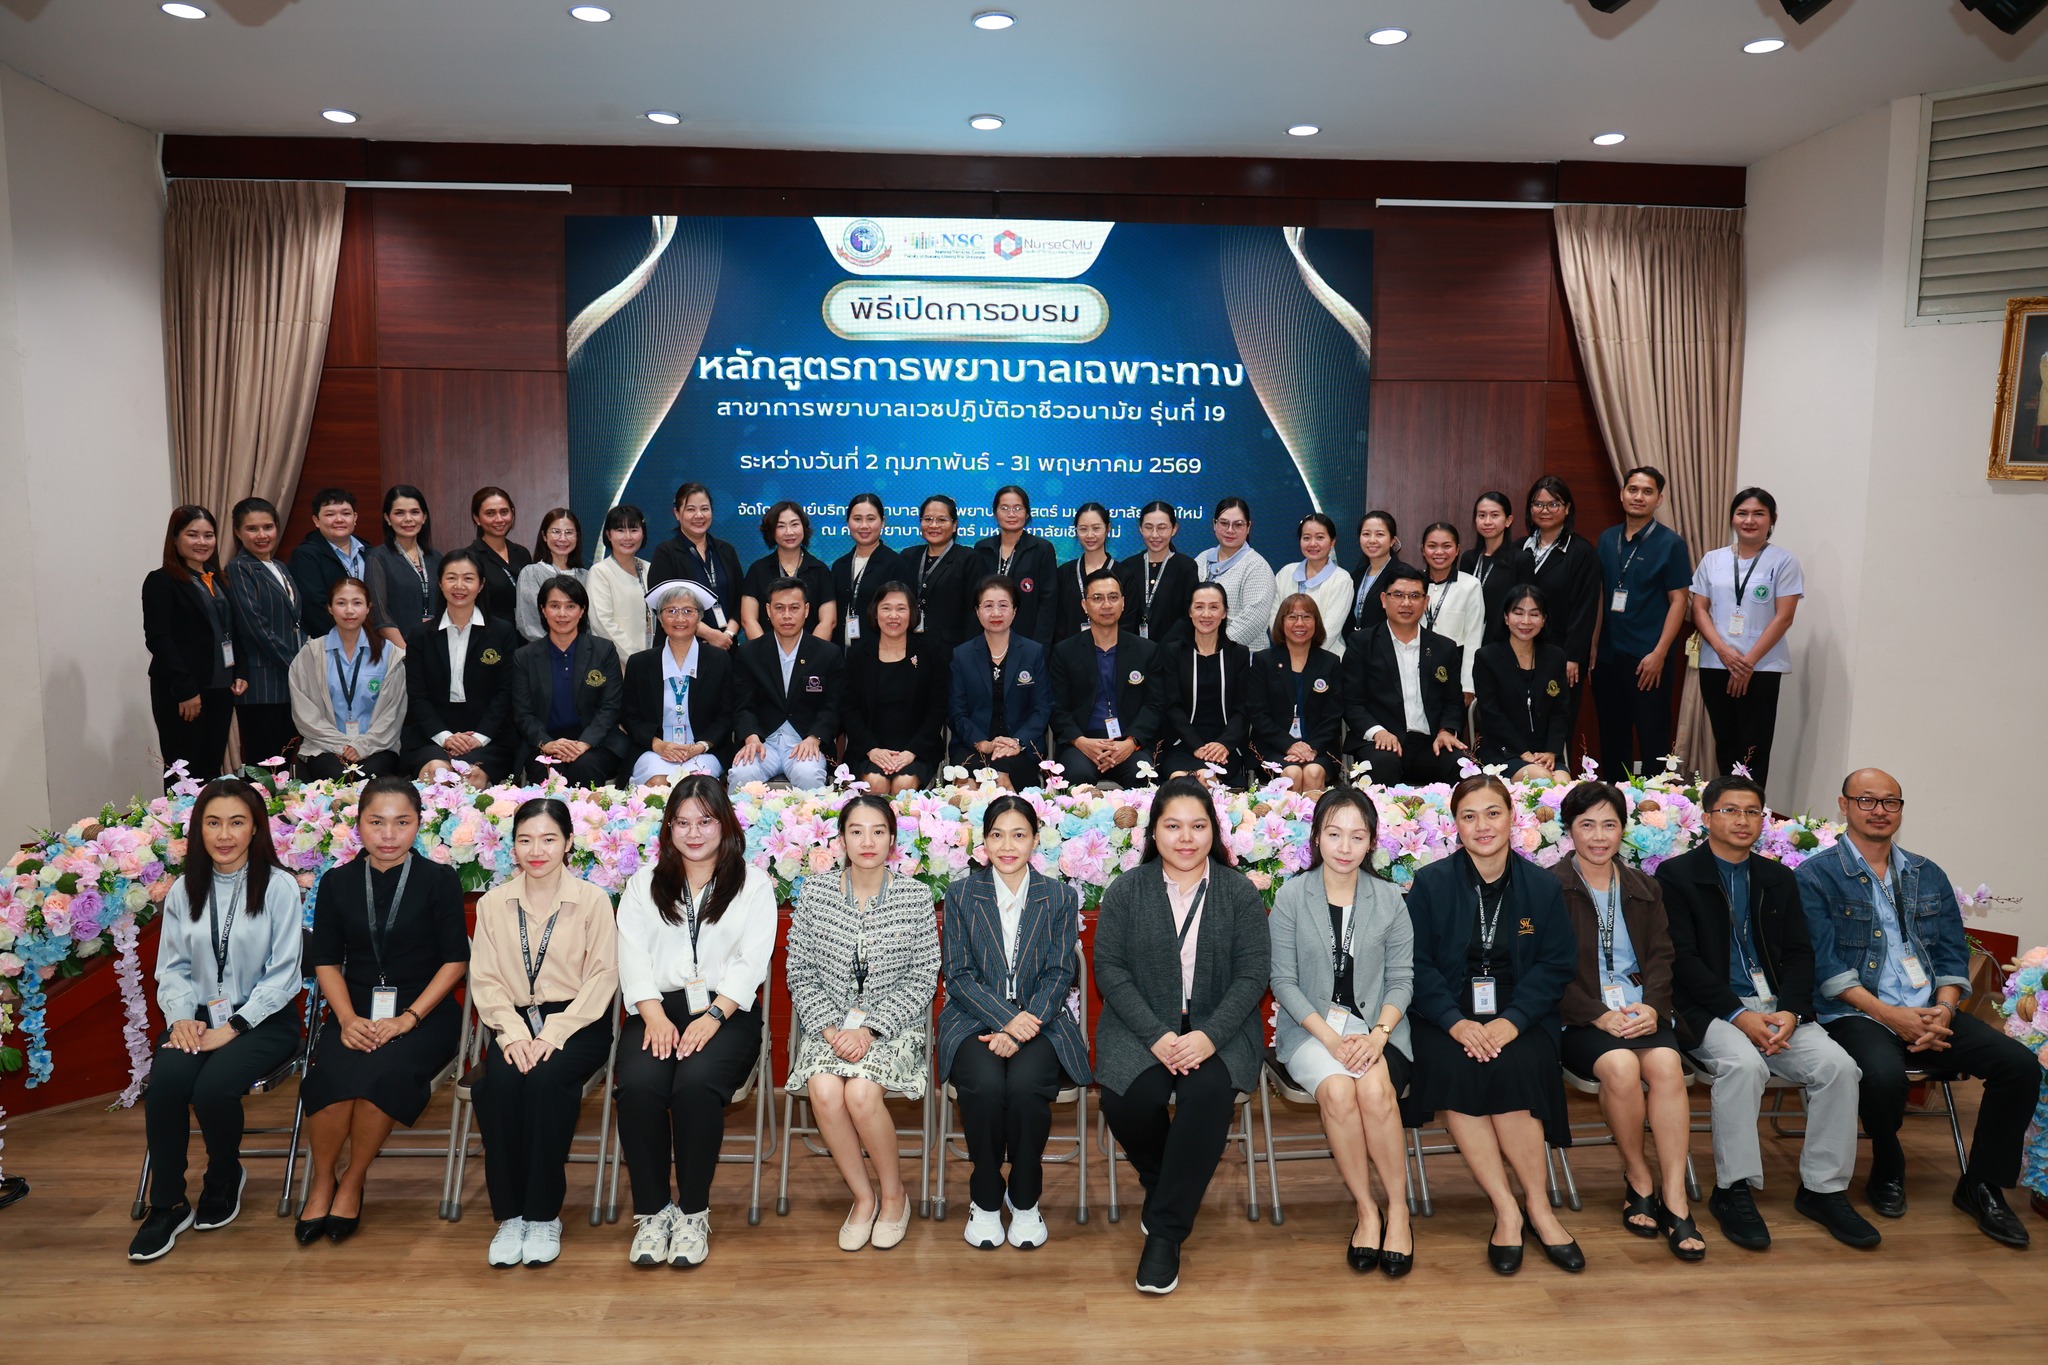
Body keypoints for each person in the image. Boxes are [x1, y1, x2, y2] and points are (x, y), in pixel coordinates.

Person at [1795, 768, 2036, 1247]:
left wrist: (1943, 1011)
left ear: (1901, 810)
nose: (1879, 811)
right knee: (1883, 1076)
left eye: (1890, 802)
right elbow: (1825, 966)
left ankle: (1982, 1186)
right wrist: (1891, 1017)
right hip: (1857, 1013)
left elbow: (1950, 955)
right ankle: (1888, 1163)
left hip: (1929, 1010)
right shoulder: (1814, 876)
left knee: (2020, 1066)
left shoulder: (1928, 874)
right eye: (1866, 800)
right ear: (1844, 806)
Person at [1656, 775, 1877, 1252]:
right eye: (1730, 810)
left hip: (1779, 1010)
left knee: (1839, 1068)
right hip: (1712, 1011)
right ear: (1707, 817)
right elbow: (1682, 960)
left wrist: (1793, 1011)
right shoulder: (1676, 876)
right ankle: (1733, 1189)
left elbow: (1800, 953)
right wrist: (1738, 1015)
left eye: (1752, 811)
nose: (1742, 820)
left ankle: (1823, 1190)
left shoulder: (1778, 878)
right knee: (1743, 1065)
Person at [1093, 777, 1271, 1294]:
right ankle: (1165, 1181)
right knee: (1127, 1097)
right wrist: (1156, 1035)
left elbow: (1253, 973)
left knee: (1207, 1095)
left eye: (1198, 826)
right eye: (1173, 826)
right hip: (1141, 1026)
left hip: (1219, 1028)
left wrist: (1209, 1036)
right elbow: (1110, 970)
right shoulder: (1127, 890)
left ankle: (1165, 1233)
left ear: (1214, 831)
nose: (1186, 838)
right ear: (1154, 831)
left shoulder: (1237, 891)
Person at [1404, 775, 1582, 1275]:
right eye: (1469, 816)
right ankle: (1507, 1209)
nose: (1482, 826)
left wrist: (1513, 1022)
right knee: (1455, 1068)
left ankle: (1539, 1208)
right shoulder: (1432, 883)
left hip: (1522, 1013)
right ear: (1455, 825)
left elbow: (1555, 965)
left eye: (1492, 813)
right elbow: (1415, 965)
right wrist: (1455, 1023)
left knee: (1516, 1067)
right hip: (1446, 1013)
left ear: (1512, 818)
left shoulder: (1542, 886)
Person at [127, 778, 305, 1262]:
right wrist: (182, 1019)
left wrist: (233, 1028)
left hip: (264, 1019)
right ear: (198, 830)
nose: (224, 835)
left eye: (236, 822)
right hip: (197, 1017)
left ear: (255, 829)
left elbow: (284, 975)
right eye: (213, 823)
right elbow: (173, 969)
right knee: (167, 1084)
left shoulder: (279, 886)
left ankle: (224, 1176)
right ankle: (167, 1204)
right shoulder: (184, 890)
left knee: (212, 1088)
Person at [298, 776, 470, 1244]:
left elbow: (456, 961)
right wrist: (347, 1019)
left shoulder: (438, 880)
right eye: (376, 822)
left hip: (425, 1013)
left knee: (382, 1075)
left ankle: (353, 1180)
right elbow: (325, 960)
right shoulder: (338, 882)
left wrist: (407, 1019)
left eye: (402, 822)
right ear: (359, 825)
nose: (389, 834)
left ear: (418, 825)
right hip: (353, 1010)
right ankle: (322, 1180)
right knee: (331, 1076)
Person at [615, 776, 779, 1267]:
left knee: (694, 1085)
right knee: (639, 1086)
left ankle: (691, 1212)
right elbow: (632, 955)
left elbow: (753, 961)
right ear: (668, 828)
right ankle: (652, 1212)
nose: (693, 833)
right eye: (682, 823)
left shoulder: (753, 884)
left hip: (726, 1012)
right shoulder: (644, 884)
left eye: (705, 821)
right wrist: (652, 1015)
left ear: (724, 824)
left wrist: (714, 1014)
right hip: (656, 1009)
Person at [1553, 781, 1705, 1261]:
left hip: (1642, 1010)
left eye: (1610, 825)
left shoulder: (1644, 887)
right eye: (1587, 825)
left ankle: (1675, 1196)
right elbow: (1544, 969)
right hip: (1579, 1017)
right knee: (1620, 1067)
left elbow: (1662, 956)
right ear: (1569, 830)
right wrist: (1596, 1015)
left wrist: (1654, 1007)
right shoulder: (1549, 887)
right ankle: (1638, 1176)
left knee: (1666, 1065)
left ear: (1624, 829)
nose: (1599, 836)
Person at [1268, 788, 1416, 1275]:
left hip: (1378, 1028)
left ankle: (1398, 1210)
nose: (1345, 847)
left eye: (1357, 836)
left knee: (1375, 1092)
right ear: (1316, 837)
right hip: (1312, 1029)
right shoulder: (1292, 895)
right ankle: (1367, 1210)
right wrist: (1332, 1041)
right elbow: (1282, 981)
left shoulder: (1389, 898)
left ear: (1372, 841)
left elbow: (1401, 980)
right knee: (1337, 1092)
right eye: (1334, 834)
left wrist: (1377, 1037)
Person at [785, 794, 941, 1252]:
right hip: (829, 1025)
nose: (867, 841)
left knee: (860, 1093)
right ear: (841, 840)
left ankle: (894, 1196)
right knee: (824, 1089)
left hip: (893, 1025)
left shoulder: (914, 896)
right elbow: (799, 970)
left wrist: (870, 1029)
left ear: (892, 840)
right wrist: (832, 1030)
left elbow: (923, 976)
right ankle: (863, 1197)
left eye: (878, 831)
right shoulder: (815, 894)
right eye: (856, 831)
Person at [468, 798, 619, 1266]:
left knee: (547, 1080)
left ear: (569, 843)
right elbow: (485, 979)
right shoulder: (493, 904)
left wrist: (555, 1032)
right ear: (512, 847)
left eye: (549, 839)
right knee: (499, 1083)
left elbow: (603, 977)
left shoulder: (592, 900)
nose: (537, 851)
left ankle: (542, 1213)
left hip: (577, 1022)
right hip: (513, 1022)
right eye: (526, 840)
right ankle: (511, 1215)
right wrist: (513, 1033)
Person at [939, 795, 1091, 1249]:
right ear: (983, 842)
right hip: (973, 1018)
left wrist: (1025, 1023)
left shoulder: (1059, 896)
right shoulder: (961, 894)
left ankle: (1025, 1198)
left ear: (1035, 840)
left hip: (1042, 1020)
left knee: (1026, 1089)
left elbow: (1060, 972)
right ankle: (985, 1198)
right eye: (997, 835)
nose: (1008, 846)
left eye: (1019, 835)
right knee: (984, 1088)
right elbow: (959, 974)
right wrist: (1007, 1021)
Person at [1691, 487, 1802, 794]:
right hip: (1716, 663)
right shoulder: (1712, 559)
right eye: (1742, 513)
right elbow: (1699, 609)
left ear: (1772, 519)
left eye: (1758, 514)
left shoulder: (1784, 561)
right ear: (1732, 518)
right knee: (1725, 741)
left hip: (1762, 668)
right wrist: (1725, 652)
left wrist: (1747, 663)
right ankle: (1725, 806)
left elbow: (1784, 616)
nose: (1749, 520)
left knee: (1754, 746)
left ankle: (1750, 809)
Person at [1592, 467, 1693, 777]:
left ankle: (1656, 801)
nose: (1638, 496)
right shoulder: (1607, 538)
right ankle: (1613, 797)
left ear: (1659, 499)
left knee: (1653, 739)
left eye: (1647, 491)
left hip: (1648, 658)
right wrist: (1593, 646)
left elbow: (1679, 601)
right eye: (1633, 489)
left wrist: (1660, 653)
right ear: (1622, 494)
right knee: (1612, 736)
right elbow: (1600, 596)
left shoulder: (1671, 543)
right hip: (1608, 655)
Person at [400, 549, 521, 788]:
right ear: (440, 583)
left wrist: (479, 737)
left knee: (470, 777)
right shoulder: (420, 635)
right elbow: (417, 695)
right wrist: (445, 737)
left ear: (481, 584)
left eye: (468, 578)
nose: (459, 586)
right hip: (432, 733)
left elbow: (505, 692)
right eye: (451, 578)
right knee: (438, 772)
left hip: (488, 733)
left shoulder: (502, 632)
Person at [1342, 565, 1467, 787]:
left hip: (1429, 742)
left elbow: (1453, 702)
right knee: (1383, 764)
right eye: (1398, 595)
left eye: (1415, 596)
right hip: (1380, 742)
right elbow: (1351, 703)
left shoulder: (1444, 648)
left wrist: (1446, 730)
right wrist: (1378, 732)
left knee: (1463, 766)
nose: (1406, 603)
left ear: (1425, 602)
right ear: (1384, 599)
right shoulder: (1361, 643)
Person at [143, 505, 242, 784]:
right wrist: (186, 689)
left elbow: (231, 631)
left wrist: (239, 672)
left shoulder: (216, 578)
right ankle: (179, 816)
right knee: (184, 774)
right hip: (184, 691)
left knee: (210, 771)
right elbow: (159, 638)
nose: (202, 542)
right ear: (175, 539)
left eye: (208, 535)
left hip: (220, 688)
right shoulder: (161, 581)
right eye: (192, 534)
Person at [1048, 568, 1163, 787]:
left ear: (1123, 603)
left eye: (1113, 597)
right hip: (1081, 744)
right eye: (1097, 598)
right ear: (1085, 605)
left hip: (1129, 745)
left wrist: (1131, 742)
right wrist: (1081, 742)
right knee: (1077, 777)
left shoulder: (1146, 651)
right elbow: (1057, 708)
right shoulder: (1065, 652)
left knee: (1143, 776)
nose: (1107, 605)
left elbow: (1154, 705)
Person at [510, 576, 626, 786]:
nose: (562, 614)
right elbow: (523, 713)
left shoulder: (603, 650)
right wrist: (547, 743)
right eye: (554, 606)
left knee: (585, 767)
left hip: (596, 742)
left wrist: (585, 743)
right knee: (548, 772)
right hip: (546, 742)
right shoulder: (524, 657)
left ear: (582, 611)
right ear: (543, 610)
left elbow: (611, 706)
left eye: (570, 606)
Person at [729, 577, 843, 790]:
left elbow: (833, 706)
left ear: (806, 610)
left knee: (809, 775)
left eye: (794, 608)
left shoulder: (827, 653)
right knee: (742, 774)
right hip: (763, 742)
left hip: (806, 742)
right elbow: (742, 704)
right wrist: (751, 737)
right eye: (779, 608)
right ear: (768, 610)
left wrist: (814, 737)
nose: (787, 615)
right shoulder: (749, 652)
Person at [288, 577, 408, 781]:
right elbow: (305, 713)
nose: (349, 610)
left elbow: (393, 713)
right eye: (341, 603)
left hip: (378, 746)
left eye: (357, 603)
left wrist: (363, 746)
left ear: (368, 607)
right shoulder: (312, 654)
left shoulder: (390, 654)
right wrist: (341, 745)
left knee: (368, 778)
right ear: (330, 608)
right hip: (324, 746)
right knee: (337, 776)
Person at [620, 581, 734, 787]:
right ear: (660, 618)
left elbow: (726, 715)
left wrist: (701, 745)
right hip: (655, 750)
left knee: (694, 786)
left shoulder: (719, 660)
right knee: (658, 784)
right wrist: (658, 744)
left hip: (702, 751)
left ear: (699, 617)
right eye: (671, 611)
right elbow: (630, 717)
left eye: (688, 611)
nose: (680, 618)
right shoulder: (640, 663)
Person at [842, 582, 949, 793]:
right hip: (869, 748)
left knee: (903, 785)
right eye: (886, 608)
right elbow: (848, 709)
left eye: (901, 609)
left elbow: (938, 709)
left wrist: (912, 751)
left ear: (912, 613)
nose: (893, 616)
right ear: (875, 613)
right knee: (875, 783)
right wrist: (871, 750)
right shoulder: (858, 655)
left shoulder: (930, 653)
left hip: (917, 748)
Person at [223, 496, 306, 766]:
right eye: (252, 528)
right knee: (264, 766)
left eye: (268, 527)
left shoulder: (280, 567)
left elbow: (294, 623)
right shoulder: (239, 567)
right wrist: (296, 666)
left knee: (284, 763)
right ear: (238, 532)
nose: (262, 535)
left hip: (288, 684)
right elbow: (255, 626)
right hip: (262, 685)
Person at [1510, 477, 1600, 726]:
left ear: (1567, 508)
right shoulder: (1519, 548)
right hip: (1519, 652)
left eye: (1553, 504)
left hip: (1561, 654)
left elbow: (1585, 608)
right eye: (1538, 504)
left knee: (1556, 726)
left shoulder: (1581, 552)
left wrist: (1573, 656)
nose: (1545, 510)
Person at [949, 576, 1052, 791]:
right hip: (972, 745)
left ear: (1014, 611)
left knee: (1002, 779)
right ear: (977, 611)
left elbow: (1042, 708)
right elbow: (957, 712)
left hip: (1020, 747)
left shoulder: (1033, 652)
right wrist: (982, 743)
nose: (996, 613)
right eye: (988, 606)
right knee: (968, 785)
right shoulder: (962, 655)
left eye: (1003, 605)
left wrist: (1017, 742)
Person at [1158, 583, 1258, 786]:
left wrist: (1224, 744)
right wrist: (1196, 745)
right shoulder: (1174, 652)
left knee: (1206, 778)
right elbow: (1172, 706)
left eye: (1214, 607)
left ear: (1224, 613)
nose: (1206, 614)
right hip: (1182, 742)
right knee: (1182, 781)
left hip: (1225, 747)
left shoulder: (1238, 654)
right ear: (1190, 612)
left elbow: (1243, 709)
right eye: (1199, 607)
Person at [1471, 586, 1572, 781]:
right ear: (1506, 617)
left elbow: (1560, 711)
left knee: (1562, 783)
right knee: (1542, 780)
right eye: (1518, 613)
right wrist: (1523, 752)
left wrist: (1551, 752)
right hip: (1503, 751)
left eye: (1534, 614)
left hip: (1544, 753)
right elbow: (1492, 714)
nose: (1526, 621)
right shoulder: (1487, 657)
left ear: (1543, 619)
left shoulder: (1555, 657)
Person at [1252, 592, 1344, 794]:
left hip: (1319, 747)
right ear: (1281, 622)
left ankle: (1315, 816)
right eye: (1292, 617)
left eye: (1306, 617)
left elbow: (1333, 716)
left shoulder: (1330, 662)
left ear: (1316, 622)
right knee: (1292, 773)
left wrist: (1311, 747)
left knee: (1313, 772)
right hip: (1274, 746)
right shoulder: (1263, 661)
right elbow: (1258, 714)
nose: (1299, 623)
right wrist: (1289, 745)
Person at [646, 481, 745, 650]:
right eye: (691, 509)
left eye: (704, 509)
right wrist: (710, 635)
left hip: (727, 647)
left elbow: (740, 599)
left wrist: (728, 635)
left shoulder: (726, 550)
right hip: (682, 648)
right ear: (677, 513)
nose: (699, 515)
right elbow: (664, 605)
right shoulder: (666, 553)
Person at [740, 501, 837, 641]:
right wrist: (765, 651)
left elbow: (828, 621)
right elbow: (748, 620)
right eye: (781, 526)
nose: (789, 532)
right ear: (771, 531)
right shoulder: (758, 570)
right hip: (766, 653)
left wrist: (811, 652)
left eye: (794, 524)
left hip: (812, 652)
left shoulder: (820, 570)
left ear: (804, 527)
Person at [908, 494, 993, 650]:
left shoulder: (969, 559)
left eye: (942, 520)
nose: (934, 525)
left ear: (954, 525)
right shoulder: (909, 556)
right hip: (911, 646)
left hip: (953, 649)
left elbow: (976, 612)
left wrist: (969, 652)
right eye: (927, 519)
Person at [364, 485, 442, 651]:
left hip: (437, 646)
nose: (408, 519)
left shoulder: (436, 558)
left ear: (424, 517)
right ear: (387, 518)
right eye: (399, 513)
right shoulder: (377, 558)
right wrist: (407, 653)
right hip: (399, 650)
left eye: (415, 512)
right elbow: (380, 614)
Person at [977, 485, 1057, 644]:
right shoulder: (982, 549)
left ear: (1027, 513)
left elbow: (1048, 603)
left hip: (1028, 639)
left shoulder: (1042, 549)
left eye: (1018, 508)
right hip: (987, 638)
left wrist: (1039, 647)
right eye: (1004, 508)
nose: (1011, 514)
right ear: (995, 513)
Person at [1194, 497, 1275, 652]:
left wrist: (1214, 648)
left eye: (1238, 525)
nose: (1230, 530)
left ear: (1248, 527)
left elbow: (1253, 620)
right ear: (1214, 524)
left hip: (1243, 658)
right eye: (1224, 523)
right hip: (1201, 653)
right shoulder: (1202, 559)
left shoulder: (1257, 566)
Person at [1272, 513, 1356, 659]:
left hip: (1326, 659)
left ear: (1332, 542)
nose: (1312, 544)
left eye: (1320, 537)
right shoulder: (1286, 572)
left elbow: (1331, 630)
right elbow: (1275, 617)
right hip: (1285, 656)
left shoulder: (1342, 579)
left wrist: (1303, 657)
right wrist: (1288, 652)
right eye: (1306, 538)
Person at [287, 487, 367, 639]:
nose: (339, 519)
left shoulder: (368, 551)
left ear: (355, 517)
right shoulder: (305, 555)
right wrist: (351, 637)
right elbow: (314, 608)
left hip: (372, 639)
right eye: (330, 514)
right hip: (329, 640)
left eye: (346, 513)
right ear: (316, 520)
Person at [1115, 500, 1198, 644]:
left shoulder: (1186, 567)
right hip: (1133, 648)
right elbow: (1123, 614)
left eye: (1162, 528)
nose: (1154, 535)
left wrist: (1165, 647)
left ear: (1174, 529)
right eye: (1148, 527)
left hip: (1173, 649)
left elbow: (1188, 614)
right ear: (1140, 529)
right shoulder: (1128, 567)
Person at [1417, 522, 1484, 699]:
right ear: (1423, 550)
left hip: (1453, 670)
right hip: (1415, 667)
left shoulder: (1471, 585)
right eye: (1432, 546)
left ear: (1457, 550)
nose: (1439, 552)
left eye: (1446, 546)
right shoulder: (1413, 583)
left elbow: (1473, 637)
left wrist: (1468, 685)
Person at [829, 492, 902, 649]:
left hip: (879, 652)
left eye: (870, 519)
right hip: (841, 652)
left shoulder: (895, 564)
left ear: (883, 522)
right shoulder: (839, 566)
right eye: (857, 519)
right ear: (848, 522)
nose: (863, 526)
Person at [586, 503, 652, 660]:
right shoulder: (600, 572)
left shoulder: (649, 569)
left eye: (634, 530)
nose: (628, 537)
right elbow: (602, 623)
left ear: (643, 533)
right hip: (616, 661)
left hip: (652, 658)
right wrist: (636, 658)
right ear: (608, 535)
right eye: (620, 530)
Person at [514, 507, 587, 643]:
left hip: (582, 651)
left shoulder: (586, 576)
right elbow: (527, 622)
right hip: (542, 651)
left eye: (569, 532)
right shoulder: (531, 573)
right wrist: (558, 647)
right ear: (544, 536)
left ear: (577, 536)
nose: (562, 538)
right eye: (556, 532)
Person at [1459, 491, 1517, 648]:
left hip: (1503, 642)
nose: (1487, 521)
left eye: (1495, 515)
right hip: (1468, 639)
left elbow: (1522, 606)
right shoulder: (1468, 558)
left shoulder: (1520, 559)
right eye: (1482, 515)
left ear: (1508, 521)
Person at [1050, 501, 1115, 641]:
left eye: (1096, 528)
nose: (1090, 535)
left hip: (1113, 651)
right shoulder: (1064, 573)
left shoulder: (1123, 574)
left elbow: (1127, 622)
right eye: (1083, 529)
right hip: (1069, 651)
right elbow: (1057, 620)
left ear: (1108, 528)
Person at [468, 487, 532, 626]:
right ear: (477, 518)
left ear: (512, 513)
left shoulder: (522, 553)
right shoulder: (469, 558)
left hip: (526, 635)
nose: (499, 519)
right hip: (490, 635)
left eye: (504, 512)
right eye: (490, 513)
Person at [1341, 510, 1405, 650]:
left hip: (1387, 651)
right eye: (1366, 534)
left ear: (1392, 541)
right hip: (1355, 649)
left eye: (1380, 534)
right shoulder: (1355, 576)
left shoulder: (1403, 576)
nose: (1372, 540)